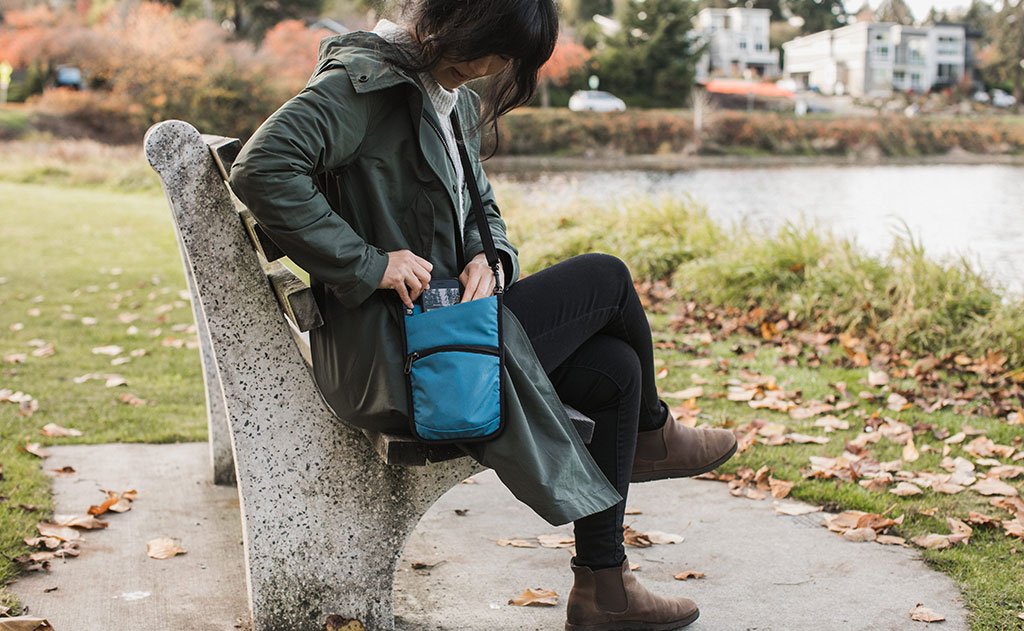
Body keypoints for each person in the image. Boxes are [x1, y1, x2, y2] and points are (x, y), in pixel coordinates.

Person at [229, 1, 737, 629]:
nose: (495, 67)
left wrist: (489, 258)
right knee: (606, 277)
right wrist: (369, 264)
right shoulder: (362, 88)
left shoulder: (450, 100)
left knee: (614, 370)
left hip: (444, 330)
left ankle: (604, 590)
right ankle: (653, 436)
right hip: (403, 355)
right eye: (495, 48)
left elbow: (482, 210)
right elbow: (262, 167)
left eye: (509, 58)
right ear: (456, 22)